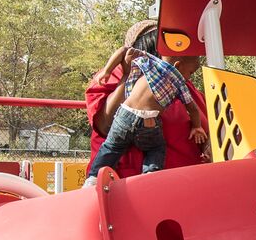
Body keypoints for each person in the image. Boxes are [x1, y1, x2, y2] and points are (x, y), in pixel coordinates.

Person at [85, 28, 206, 178]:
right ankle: (95, 178)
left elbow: (205, 128)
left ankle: (150, 175)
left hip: (181, 182)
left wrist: (207, 147)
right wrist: (126, 75)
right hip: (123, 183)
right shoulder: (113, 77)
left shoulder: (182, 85)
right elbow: (105, 126)